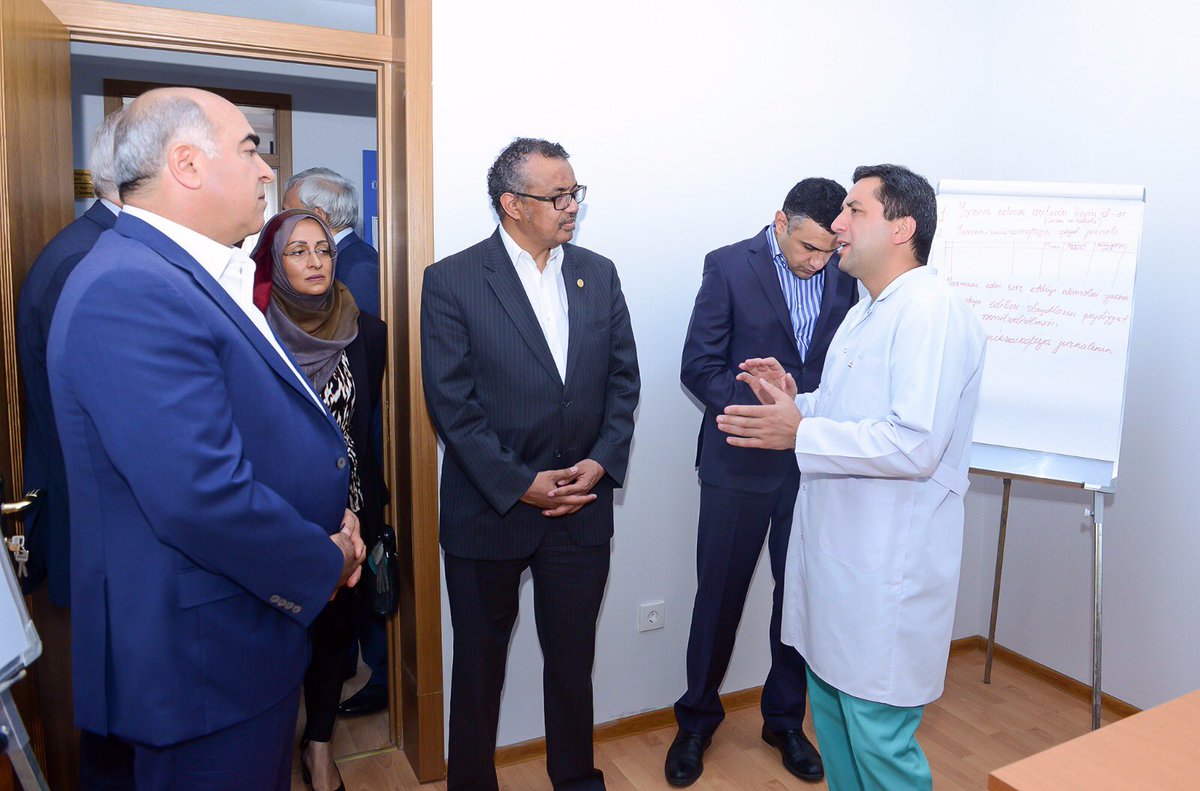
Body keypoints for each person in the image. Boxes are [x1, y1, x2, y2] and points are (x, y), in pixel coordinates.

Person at [47, 87, 365, 791]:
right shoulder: (130, 288)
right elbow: (200, 495)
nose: (266, 169)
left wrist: (326, 507)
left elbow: (241, 434)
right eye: (251, 149)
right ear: (187, 164)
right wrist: (326, 554)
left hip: (229, 645)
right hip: (199, 666)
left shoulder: (183, 271)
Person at [717, 164, 987, 791]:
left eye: (854, 211)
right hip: (839, 568)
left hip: (884, 574)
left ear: (902, 228)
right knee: (836, 729)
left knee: (879, 744)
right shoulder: (866, 311)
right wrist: (796, 401)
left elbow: (915, 444)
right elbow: (849, 413)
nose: (837, 225)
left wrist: (800, 434)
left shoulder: (931, 312)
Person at [420, 137, 639, 791]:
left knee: (573, 663)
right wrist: (520, 485)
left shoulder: (598, 274)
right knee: (478, 667)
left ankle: (576, 779)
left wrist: (601, 462)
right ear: (512, 204)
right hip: (489, 511)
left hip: (580, 507)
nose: (572, 206)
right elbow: (452, 406)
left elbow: (623, 383)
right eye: (558, 195)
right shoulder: (453, 279)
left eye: (575, 193)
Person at [669, 178, 855, 786]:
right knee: (718, 597)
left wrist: (808, 420)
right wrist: (767, 413)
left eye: (829, 250)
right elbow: (698, 365)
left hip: (814, 464)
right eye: (808, 248)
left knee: (798, 599)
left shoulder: (847, 272)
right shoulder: (728, 266)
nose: (819, 262)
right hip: (740, 463)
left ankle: (784, 721)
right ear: (780, 222)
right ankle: (696, 721)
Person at [17, 108, 136, 788]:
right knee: (113, 714)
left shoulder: (88, 247)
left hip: (97, 525)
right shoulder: (92, 261)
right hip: (97, 526)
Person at [250, 208, 388, 791]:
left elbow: (363, 427)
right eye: (298, 251)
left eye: (324, 250)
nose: (315, 262)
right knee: (278, 637)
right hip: (276, 510)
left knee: (334, 635)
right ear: (274, 262)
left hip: (348, 510)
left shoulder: (366, 331)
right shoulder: (251, 330)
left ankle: (320, 749)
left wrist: (365, 508)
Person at [283, 167, 380, 316]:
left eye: (288, 212)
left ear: (318, 216)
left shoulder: (359, 268)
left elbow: (364, 329)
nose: (283, 220)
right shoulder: (338, 257)